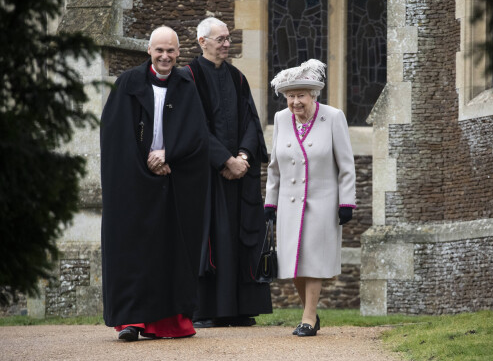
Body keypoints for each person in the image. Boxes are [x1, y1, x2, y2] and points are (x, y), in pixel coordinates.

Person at [100, 26, 209, 341]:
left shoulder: (187, 84)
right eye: (159, 50)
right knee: (135, 249)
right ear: (149, 50)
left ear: (178, 53)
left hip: (175, 180)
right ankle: (131, 320)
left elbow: (198, 136)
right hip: (134, 181)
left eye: (171, 51)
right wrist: (145, 164)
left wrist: (169, 157)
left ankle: (169, 321)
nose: (165, 56)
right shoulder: (128, 84)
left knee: (171, 250)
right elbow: (115, 137)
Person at [184, 17, 272, 327]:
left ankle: (239, 308)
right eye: (220, 39)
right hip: (208, 177)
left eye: (228, 38)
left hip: (239, 177)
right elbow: (192, 129)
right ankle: (206, 310)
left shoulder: (238, 78)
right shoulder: (188, 78)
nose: (226, 43)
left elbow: (251, 121)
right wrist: (224, 161)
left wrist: (244, 156)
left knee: (241, 235)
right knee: (212, 237)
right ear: (202, 42)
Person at [265, 59, 357, 337]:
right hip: (289, 203)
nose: (295, 102)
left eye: (301, 95)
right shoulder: (281, 119)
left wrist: (347, 202)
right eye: (290, 96)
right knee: (293, 263)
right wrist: (270, 202)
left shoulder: (333, 117)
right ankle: (312, 313)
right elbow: (274, 166)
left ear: (313, 95)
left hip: (323, 202)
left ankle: (307, 318)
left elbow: (346, 164)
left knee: (313, 260)